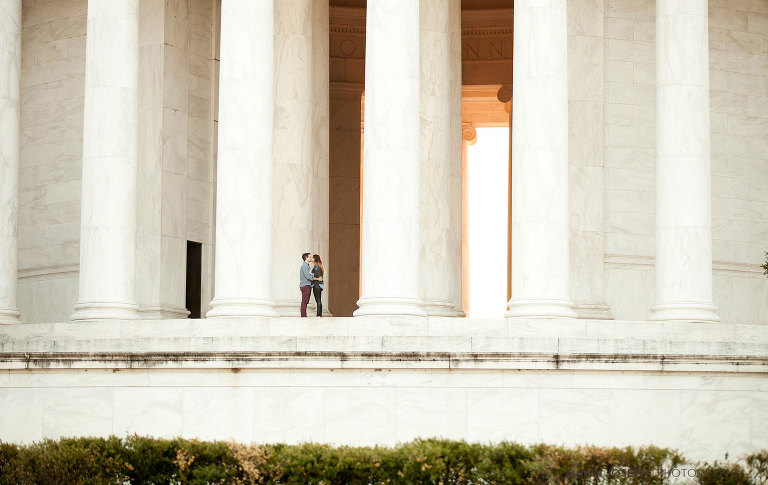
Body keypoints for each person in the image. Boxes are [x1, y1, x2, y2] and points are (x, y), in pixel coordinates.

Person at [299, 252, 313, 317]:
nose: (311, 258)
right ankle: (303, 316)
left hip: (307, 285)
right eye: (309, 257)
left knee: (305, 301)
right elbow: (307, 276)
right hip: (305, 285)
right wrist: (314, 278)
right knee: (304, 301)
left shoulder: (307, 265)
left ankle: (304, 315)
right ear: (306, 258)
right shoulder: (304, 265)